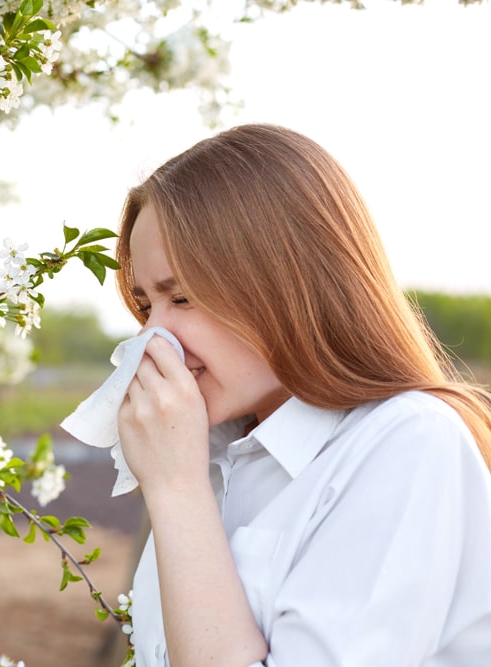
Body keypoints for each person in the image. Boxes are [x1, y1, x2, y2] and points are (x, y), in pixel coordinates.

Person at [113, 123, 491, 667]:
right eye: (147, 305)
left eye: (184, 297)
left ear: (286, 282)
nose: (154, 338)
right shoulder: (215, 456)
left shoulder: (408, 443)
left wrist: (175, 492)